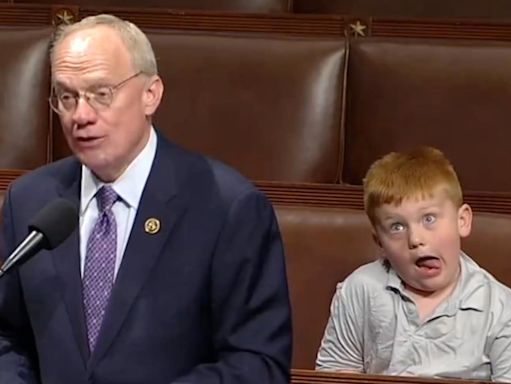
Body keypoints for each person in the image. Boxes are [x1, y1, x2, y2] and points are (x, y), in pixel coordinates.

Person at [0, 14, 292, 384]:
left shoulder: (227, 208)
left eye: (101, 94)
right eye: (67, 97)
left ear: (150, 94)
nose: (81, 115)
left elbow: (258, 363)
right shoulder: (30, 200)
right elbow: (6, 334)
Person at [316, 147, 511, 381]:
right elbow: (334, 373)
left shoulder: (501, 309)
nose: (416, 239)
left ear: (462, 221)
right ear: (380, 242)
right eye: (397, 227)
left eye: (429, 219)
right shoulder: (360, 289)